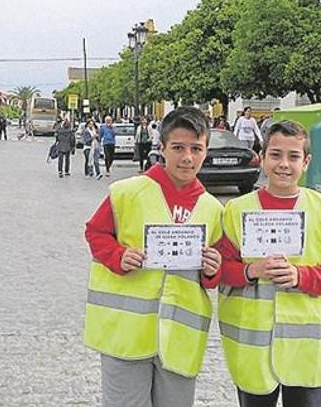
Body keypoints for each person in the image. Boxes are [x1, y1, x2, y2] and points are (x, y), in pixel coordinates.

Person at [84, 107, 224, 407]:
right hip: (125, 333)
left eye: (196, 149)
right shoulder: (126, 192)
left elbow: (213, 272)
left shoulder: (213, 208)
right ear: (161, 148)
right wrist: (117, 256)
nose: (187, 157)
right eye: (178, 148)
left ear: (205, 151)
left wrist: (212, 270)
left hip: (180, 336)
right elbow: (96, 233)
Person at [211, 120, 321, 407]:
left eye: (294, 156)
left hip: (307, 351)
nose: (284, 164)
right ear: (262, 158)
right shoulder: (236, 211)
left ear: (307, 162)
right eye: (275, 155)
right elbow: (221, 270)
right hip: (253, 347)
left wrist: (299, 276)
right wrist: (252, 271)